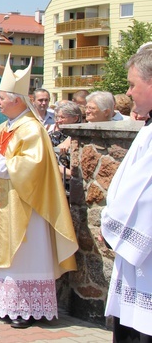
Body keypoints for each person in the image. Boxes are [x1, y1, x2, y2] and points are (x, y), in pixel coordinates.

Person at [0, 59, 78, 329]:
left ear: (17, 100)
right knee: (5, 255)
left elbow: (32, 166)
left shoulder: (32, 129)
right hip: (1, 202)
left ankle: (27, 308)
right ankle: (3, 304)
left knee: (25, 253)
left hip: (26, 205)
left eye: (1, 98)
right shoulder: (3, 128)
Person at [102, 48, 152, 341]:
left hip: (144, 254)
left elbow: (144, 194)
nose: (128, 92)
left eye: (133, 84)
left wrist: (111, 224)